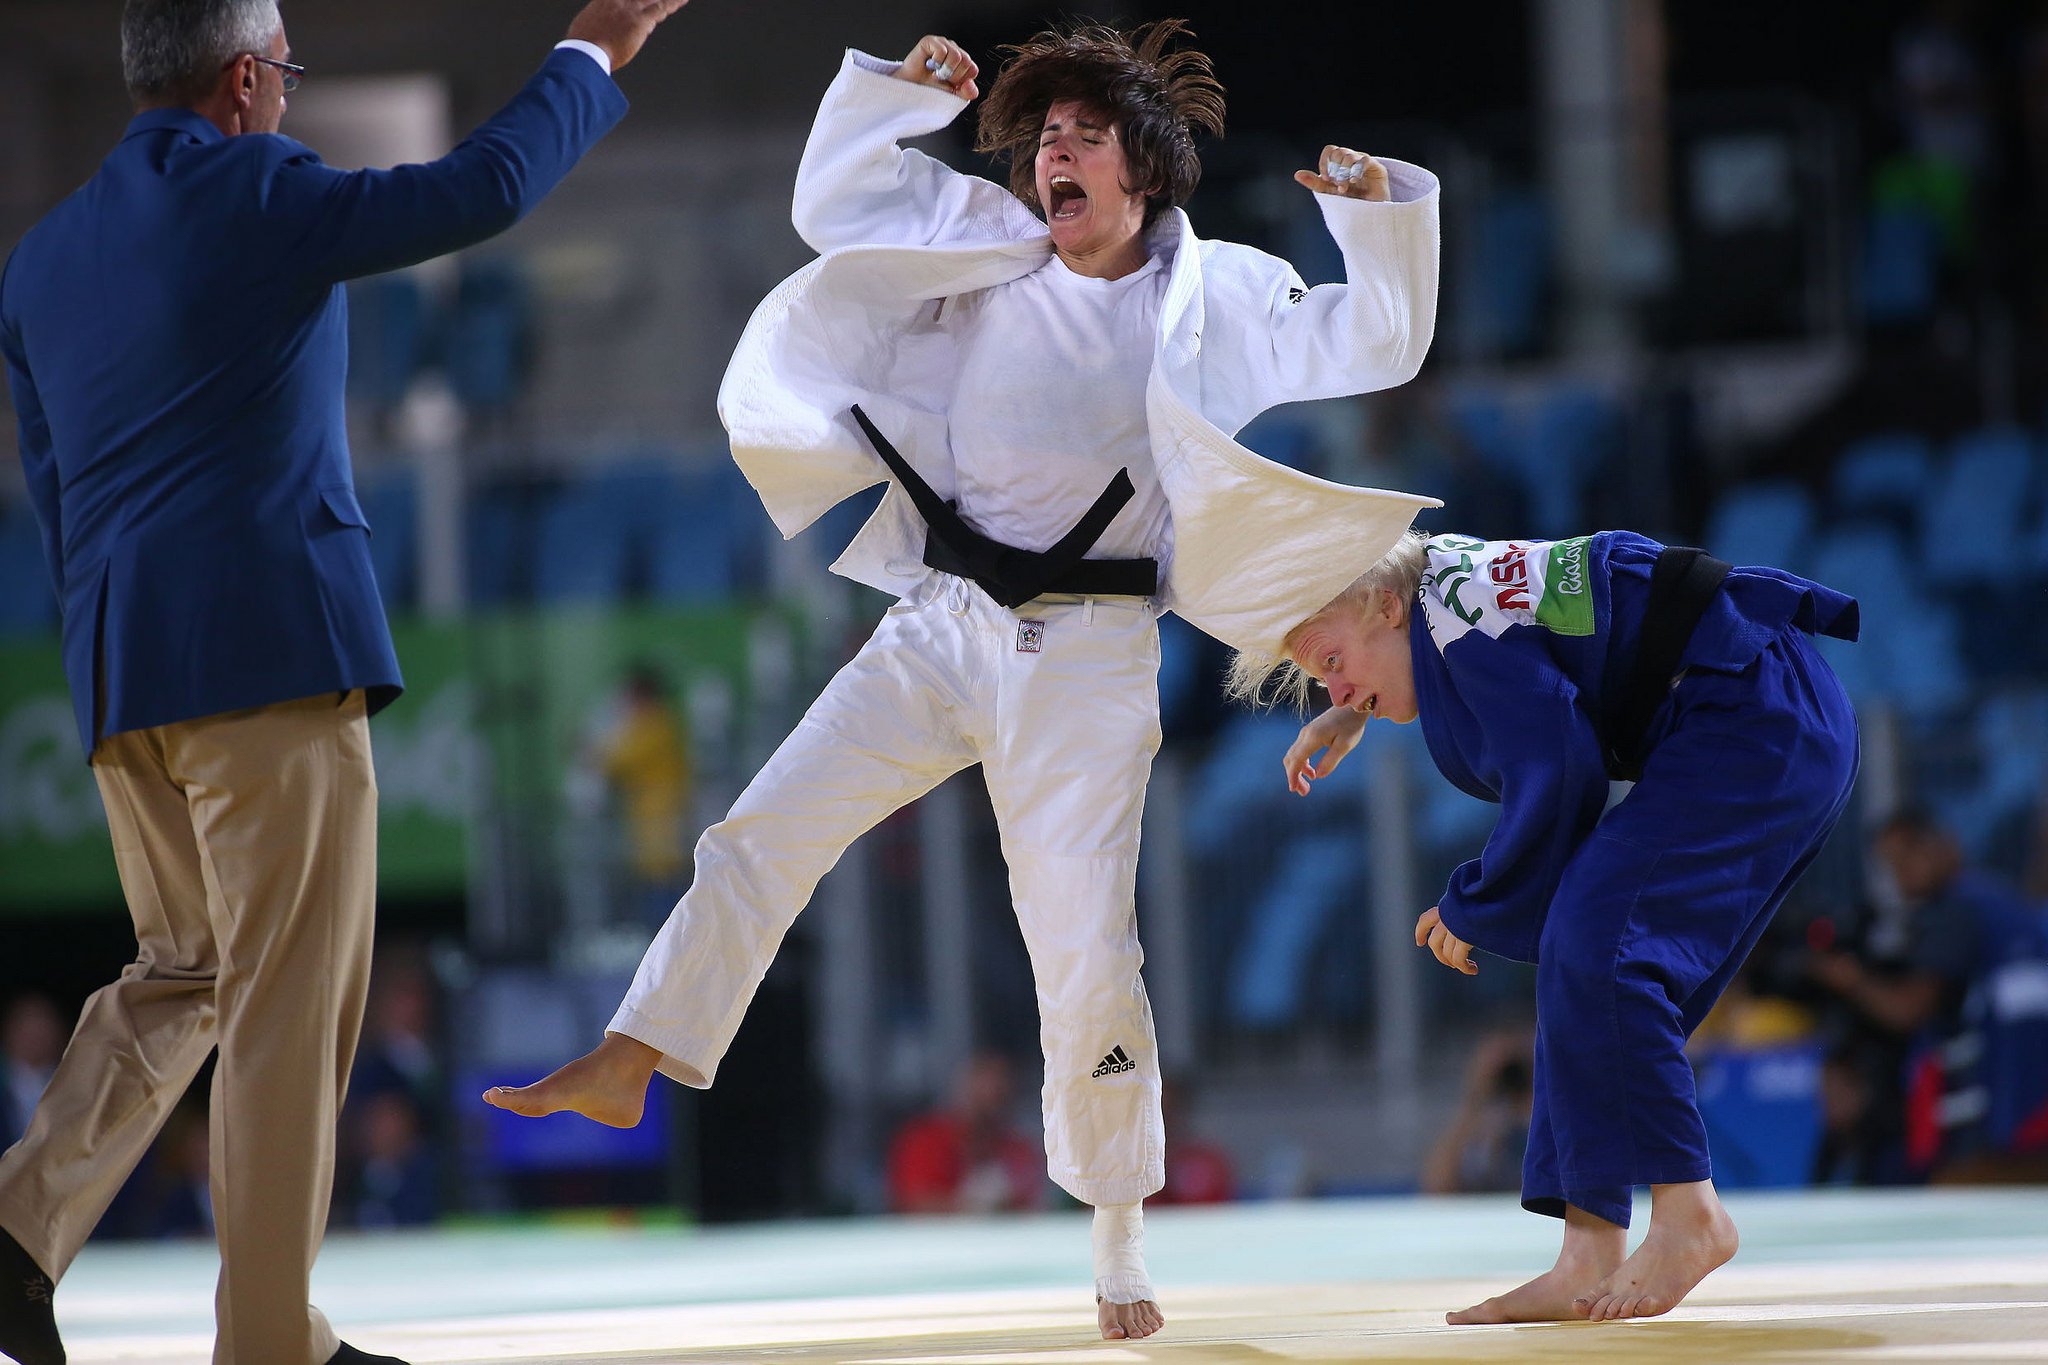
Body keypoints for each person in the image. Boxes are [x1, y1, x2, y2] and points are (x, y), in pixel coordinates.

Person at [484, 19, 1442, 1342]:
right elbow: (839, 205)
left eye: (1083, 138)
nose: (1054, 154)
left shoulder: (1214, 300)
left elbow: (1376, 341)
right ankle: (638, 1048)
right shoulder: (988, 245)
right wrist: (889, 102)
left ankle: (1116, 1239)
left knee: (1082, 945)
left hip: (1092, 656)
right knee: (762, 827)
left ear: (1145, 171)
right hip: (943, 620)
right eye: (1043, 135)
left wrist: (1379, 211)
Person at [0, 2, 689, 1362]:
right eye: (289, 77)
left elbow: (53, 488)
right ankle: (270, 1341)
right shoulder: (257, 185)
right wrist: (590, 51)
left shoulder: (40, 258)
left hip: (123, 668)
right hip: (266, 656)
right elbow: (482, 187)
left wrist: (109, 660)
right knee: (281, 1000)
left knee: (184, 969)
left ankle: (18, 1228)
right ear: (248, 78)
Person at [1232, 528, 1860, 1323]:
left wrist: (1478, 900)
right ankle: (1586, 1252)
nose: (1334, 690)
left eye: (1328, 665)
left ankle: (1690, 1211)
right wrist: (1354, 700)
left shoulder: (1454, 622)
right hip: (1767, 710)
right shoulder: (1437, 596)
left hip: (1751, 711)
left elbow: (1560, 763)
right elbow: (1435, 648)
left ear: (1386, 607)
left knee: (1602, 944)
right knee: (1581, 957)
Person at [886, 1052, 1044, 1215]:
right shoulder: (925, 1143)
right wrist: (978, 1207)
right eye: (980, 1096)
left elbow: (1033, 1207)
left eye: (999, 1096)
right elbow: (912, 1207)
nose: (990, 1103)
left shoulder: (1020, 1150)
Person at [0, 996, 63, 1151]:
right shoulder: (4, 1088)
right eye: (27, 1026)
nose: (36, 1036)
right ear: (10, 1032)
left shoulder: (76, 1088)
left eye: (43, 1026)